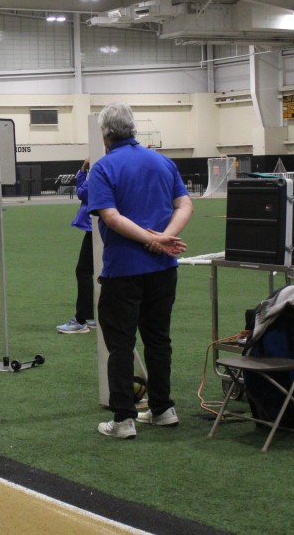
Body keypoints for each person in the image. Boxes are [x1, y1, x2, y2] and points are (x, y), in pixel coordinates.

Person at [88, 102, 192, 440]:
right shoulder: (162, 161)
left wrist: (152, 239)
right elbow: (185, 203)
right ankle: (162, 408)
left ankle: (123, 419)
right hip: (162, 268)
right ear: (133, 128)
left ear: (105, 133)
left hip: (123, 270)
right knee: (159, 339)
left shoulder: (104, 168)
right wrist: (165, 238)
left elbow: (111, 217)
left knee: (120, 345)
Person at [57, 158, 97, 333]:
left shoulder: (101, 170)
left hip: (97, 229)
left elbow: (82, 192)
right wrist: (83, 171)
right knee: (99, 271)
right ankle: (95, 317)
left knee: (84, 271)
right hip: (105, 227)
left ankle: (82, 319)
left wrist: (84, 170)